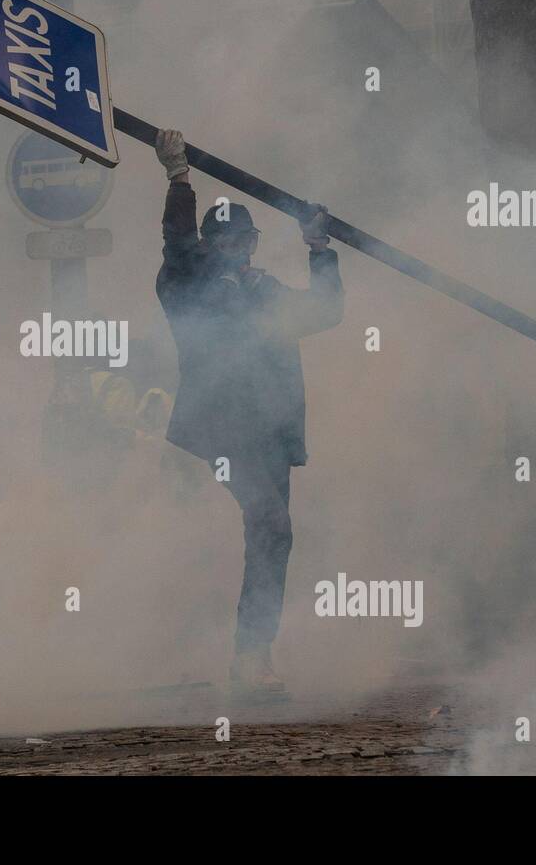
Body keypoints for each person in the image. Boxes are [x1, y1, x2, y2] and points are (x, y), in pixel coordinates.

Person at [153, 128, 344, 695]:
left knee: (273, 537)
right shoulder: (187, 283)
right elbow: (177, 245)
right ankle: (250, 661)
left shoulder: (266, 292)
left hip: (270, 431)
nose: (241, 249)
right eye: (229, 240)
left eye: (246, 240)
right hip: (222, 429)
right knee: (271, 523)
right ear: (211, 245)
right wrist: (178, 180)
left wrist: (319, 249)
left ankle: (252, 657)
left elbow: (325, 312)